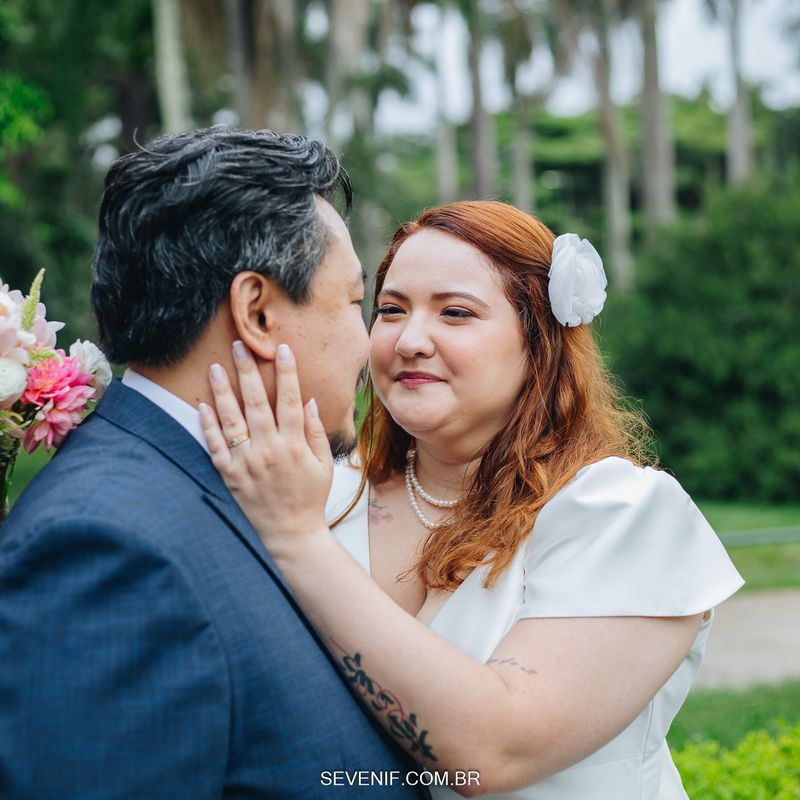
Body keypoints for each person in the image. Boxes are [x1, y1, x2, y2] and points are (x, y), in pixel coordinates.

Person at [200, 200, 744, 799]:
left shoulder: (620, 516)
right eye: (389, 310)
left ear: (539, 343)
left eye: (455, 313)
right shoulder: (319, 494)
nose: (409, 340)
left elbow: (493, 752)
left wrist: (297, 542)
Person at [0, 127, 431, 799]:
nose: (372, 344)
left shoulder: (219, 489)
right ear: (256, 311)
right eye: (354, 305)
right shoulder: (106, 548)